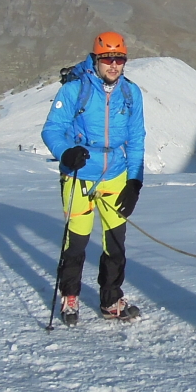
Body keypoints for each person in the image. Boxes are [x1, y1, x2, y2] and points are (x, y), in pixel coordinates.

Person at [41, 31, 147, 324]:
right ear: (96, 59)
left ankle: (111, 299)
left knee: (115, 242)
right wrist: (66, 153)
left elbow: (137, 138)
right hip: (79, 176)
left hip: (116, 174)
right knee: (77, 241)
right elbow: (52, 129)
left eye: (119, 59)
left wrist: (135, 181)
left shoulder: (131, 93)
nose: (113, 65)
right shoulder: (75, 89)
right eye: (107, 59)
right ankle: (70, 295)